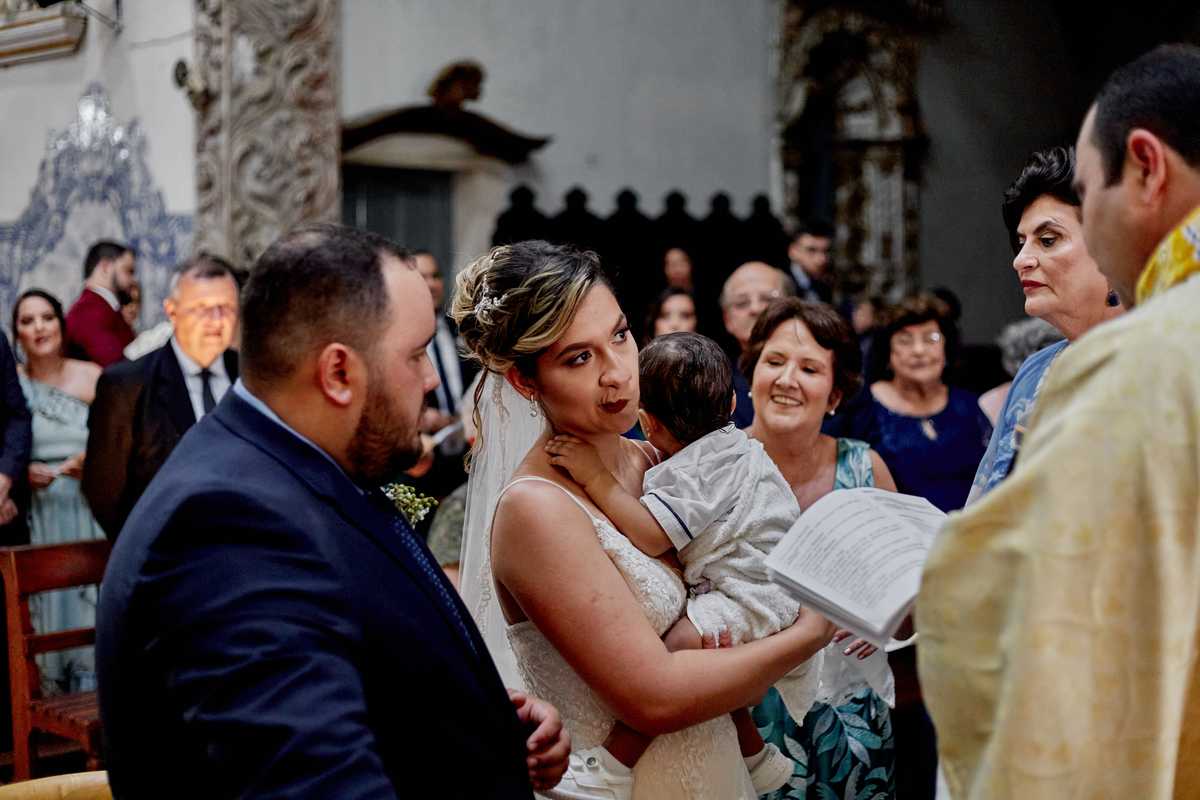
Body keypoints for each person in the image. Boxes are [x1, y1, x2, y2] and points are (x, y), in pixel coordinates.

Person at [96, 224, 570, 799]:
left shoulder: (304, 461)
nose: (432, 381)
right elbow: (317, 781)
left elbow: (357, 646)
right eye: (418, 353)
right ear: (338, 373)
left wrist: (479, 719)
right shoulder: (226, 526)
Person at [451, 241, 838, 799]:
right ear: (525, 381)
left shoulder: (655, 458)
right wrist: (808, 632)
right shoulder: (537, 508)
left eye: (620, 335)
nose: (617, 373)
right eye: (579, 358)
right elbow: (653, 697)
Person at [918, 43, 1200, 799]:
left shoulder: (1146, 359)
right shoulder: (1059, 368)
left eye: (1087, 189)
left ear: (1145, 167)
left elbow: (1011, 607)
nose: (1025, 260)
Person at [545, 332, 822, 797]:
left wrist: (594, 476)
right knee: (713, 671)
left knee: (675, 654)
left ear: (646, 423)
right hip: (768, 585)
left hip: (751, 594)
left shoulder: (697, 470)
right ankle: (755, 756)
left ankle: (612, 765)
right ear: (733, 403)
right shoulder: (734, 445)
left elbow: (652, 534)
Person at [739, 297, 897, 800]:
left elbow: (914, 595)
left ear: (835, 393)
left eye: (809, 368)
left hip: (852, 719)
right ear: (753, 373)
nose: (788, 379)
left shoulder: (866, 471)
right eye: (775, 361)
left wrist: (885, 617)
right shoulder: (712, 469)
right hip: (742, 719)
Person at [969, 146, 1123, 502]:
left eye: (1047, 240)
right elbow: (989, 502)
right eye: (1021, 243)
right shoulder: (1035, 372)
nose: (1021, 260)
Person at [83, 258, 240, 540]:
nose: (216, 320)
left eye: (226, 307)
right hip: (165, 560)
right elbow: (104, 493)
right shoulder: (126, 385)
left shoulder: (252, 376)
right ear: (172, 312)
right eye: (202, 308)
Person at [13, 290, 105, 693]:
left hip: (89, 511)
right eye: (27, 321)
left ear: (62, 325)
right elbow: (7, 447)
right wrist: (19, 472)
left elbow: (121, 438)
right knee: (49, 614)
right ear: (16, 335)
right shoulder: (12, 387)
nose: (39, 328)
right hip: (41, 517)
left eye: (47, 317)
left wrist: (90, 458)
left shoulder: (93, 376)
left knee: (94, 613)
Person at [862, 294, 992, 513]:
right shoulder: (865, 408)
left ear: (946, 349)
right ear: (887, 354)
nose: (919, 350)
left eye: (930, 338)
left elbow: (995, 474)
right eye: (905, 340)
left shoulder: (967, 405)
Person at [412, 250, 475, 501]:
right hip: (422, 461)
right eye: (421, 277)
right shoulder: (395, 335)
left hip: (468, 461)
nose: (431, 284)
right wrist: (418, 414)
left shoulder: (462, 329)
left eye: (435, 276)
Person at [720, 262, 791, 429]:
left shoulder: (830, 378)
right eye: (742, 302)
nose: (756, 308)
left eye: (768, 298)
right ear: (727, 319)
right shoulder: (709, 387)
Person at [65, 241, 138, 367]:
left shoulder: (104, 309)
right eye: (128, 271)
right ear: (105, 267)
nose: (133, 281)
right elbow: (117, 370)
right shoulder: (88, 312)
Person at [786, 219, 834, 304]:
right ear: (793, 251)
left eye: (826, 251)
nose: (822, 258)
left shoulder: (823, 286)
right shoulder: (782, 284)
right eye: (811, 250)